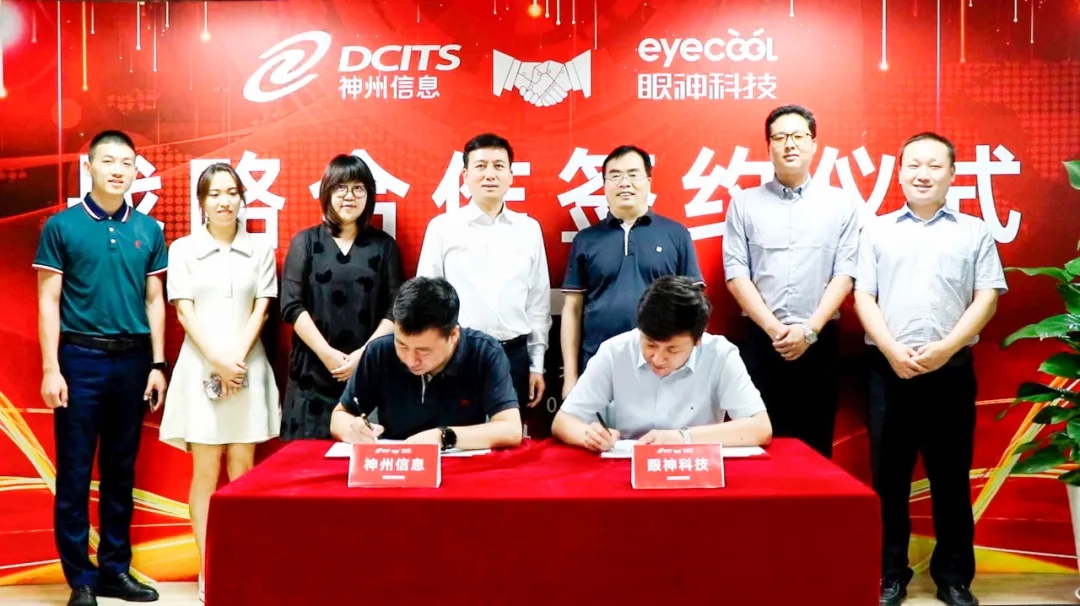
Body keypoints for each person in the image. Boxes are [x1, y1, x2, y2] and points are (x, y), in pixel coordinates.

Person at [854, 132, 1006, 606]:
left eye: (934, 166)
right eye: (913, 165)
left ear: (953, 175)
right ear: (899, 172)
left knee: (951, 479)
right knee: (888, 480)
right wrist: (891, 350)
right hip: (888, 371)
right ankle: (889, 573)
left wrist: (946, 348)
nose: (923, 174)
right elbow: (863, 296)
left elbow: (987, 297)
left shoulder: (974, 231)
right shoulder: (876, 230)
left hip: (951, 371)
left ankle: (954, 578)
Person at [33, 130, 167, 606]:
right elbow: (48, 301)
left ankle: (114, 570)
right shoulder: (62, 226)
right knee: (73, 472)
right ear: (88, 167)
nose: (118, 170)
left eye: (127, 163)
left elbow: (155, 300)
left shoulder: (149, 229)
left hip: (133, 361)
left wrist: (158, 363)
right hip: (80, 360)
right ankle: (81, 580)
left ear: (136, 171)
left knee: (120, 471)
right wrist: (51, 368)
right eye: (108, 161)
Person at [158, 163, 280, 601]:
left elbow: (262, 307)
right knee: (206, 470)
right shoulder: (183, 249)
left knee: (243, 469)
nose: (224, 201)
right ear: (202, 202)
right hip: (201, 367)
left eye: (232, 192)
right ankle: (209, 567)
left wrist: (235, 361)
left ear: (243, 198)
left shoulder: (259, 248)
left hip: (247, 366)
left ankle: (240, 563)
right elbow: (184, 310)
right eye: (214, 194)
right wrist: (216, 359)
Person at [721, 104, 859, 459]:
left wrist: (809, 332)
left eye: (799, 136)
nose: (789, 144)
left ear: (814, 144)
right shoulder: (744, 203)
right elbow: (736, 274)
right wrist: (774, 330)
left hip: (819, 342)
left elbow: (845, 273)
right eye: (780, 137)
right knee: (758, 449)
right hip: (761, 341)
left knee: (816, 448)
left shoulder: (841, 204)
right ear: (768, 146)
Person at [416, 133, 551, 418]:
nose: (490, 174)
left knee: (509, 438)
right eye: (480, 166)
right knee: (457, 436)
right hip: (459, 354)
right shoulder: (443, 228)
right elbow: (426, 302)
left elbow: (538, 304)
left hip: (514, 356)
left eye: (499, 166)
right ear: (465, 176)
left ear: (511, 176)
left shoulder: (528, 229)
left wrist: (536, 364)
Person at [552, 276, 771, 450]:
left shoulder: (720, 355)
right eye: (650, 344)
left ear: (697, 340)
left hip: (694, 469)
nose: (657, 358)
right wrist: (589, 436)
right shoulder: (614, 351)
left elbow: (760, 428)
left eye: (672, 349)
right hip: (625, 469)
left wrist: (683, 438)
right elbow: (563, 422)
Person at [560, 145, 703, 399]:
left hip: (662, 365)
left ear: (648, 181)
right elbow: (572, 310)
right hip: (598, 364)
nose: (624, 183)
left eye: (633, 174)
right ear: (604, 185)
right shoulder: (586, 240)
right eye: (615, 176)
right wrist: (571, 377)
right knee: (600, 426)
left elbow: (694, 308)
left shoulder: (676, 234)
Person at [279, 154, 404, 440]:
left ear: (369, 195)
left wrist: (364, 355)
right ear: (327, 192)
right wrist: (327, 354)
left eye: (358, 188)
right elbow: (291, 305)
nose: (349, 196)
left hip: (368, 373)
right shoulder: (305, 242)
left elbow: (396, 309)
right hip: (312, 374)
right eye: (341, 187)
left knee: (365, 459)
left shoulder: (384, 246)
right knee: (307, 462)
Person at [329, 277, 523, 450]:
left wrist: (444, 437)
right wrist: (354, 430)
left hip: (458, 466)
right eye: (402, 345)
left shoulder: (484, 352)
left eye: (423, 351)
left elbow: (511, 429)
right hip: (396, 466)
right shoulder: (379, 352)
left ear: (453, 335)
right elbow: (339, 416)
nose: (410, 360)